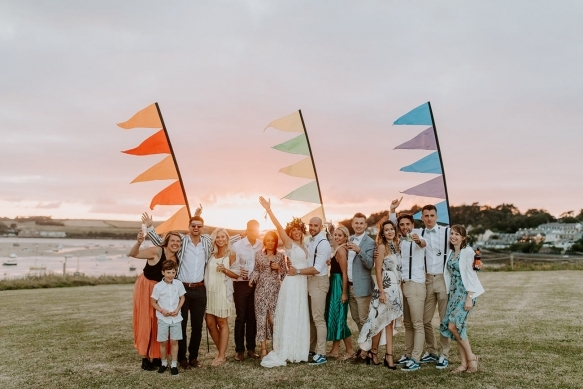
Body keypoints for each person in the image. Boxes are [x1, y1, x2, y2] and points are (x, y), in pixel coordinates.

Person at [143, 208, 240, 370]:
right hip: (182, 289)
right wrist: (150, 228)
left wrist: (253, 235)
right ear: (189, 227)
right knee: (181, 324)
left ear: (203, 228)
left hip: (200, 289)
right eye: (193, 225)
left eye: (199, 226)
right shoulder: (182, 240)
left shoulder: (208, 242)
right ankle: (181, 358)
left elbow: (229, 239)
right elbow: (163, 242)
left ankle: (193, 357)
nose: (196, 228)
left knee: (197, 326)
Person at [259, 197, 310, 367]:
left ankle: (299, 349)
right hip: (293, 282)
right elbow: (279, 227)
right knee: (290, 314)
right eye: (293, 230)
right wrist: (269, 210)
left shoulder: (306, 246)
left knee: (300, 314)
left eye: (299, 229)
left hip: (303, 282)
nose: (296, 232)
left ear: (302, 231)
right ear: (290, 232)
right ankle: (287, 349)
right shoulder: (289, 244)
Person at [129, 229, 180, 371]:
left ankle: (156, 356)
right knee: (146, 321)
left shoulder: (176, 259)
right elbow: (133, 254)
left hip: (162, 290)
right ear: (167, 242)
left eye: (178, 241)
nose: (175, 243)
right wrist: (138, 243)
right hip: (146, 287)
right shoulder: (157, 251)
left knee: (160, 322)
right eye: (173, 241)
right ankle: (145, 358)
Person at [358, 219, 403, 369]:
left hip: (396, 288)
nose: (390, 231)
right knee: (378, 321)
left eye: (392, 229)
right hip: (384, 287)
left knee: (389, 321)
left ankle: (388, 355)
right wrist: (382, 292)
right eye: (386, 230)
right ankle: (373, 351)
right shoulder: (382, 247)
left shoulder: (396, 246)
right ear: (382, 233)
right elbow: (377, 271)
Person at [439, 225, 484, 374]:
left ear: (463, 237)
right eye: (452, 233)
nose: (453, 236)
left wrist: (469, 298)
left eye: (457, 234)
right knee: (458, 328)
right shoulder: (451, 252)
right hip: (453, 294)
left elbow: (471, 274)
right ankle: (464, 364)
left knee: (454, 326)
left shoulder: (467, 251)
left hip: (465, 294)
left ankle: (471, 358)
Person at [388, 198, 427, 372]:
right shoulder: (400, 240)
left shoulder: (419, 235)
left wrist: (417, 240)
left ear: (413, 224)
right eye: (402, 224)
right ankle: (408, 353)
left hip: (417, 284)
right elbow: (390, 227)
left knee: (417, 323)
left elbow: (423, 243)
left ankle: (416, 359)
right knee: (408, 323)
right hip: (403, 285)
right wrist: (392, 210)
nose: (405, 227)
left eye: (407, 224)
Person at [288, 217, 331, 366]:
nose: (312, 227)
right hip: (309, 281)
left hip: (319, 281)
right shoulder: (309, 240)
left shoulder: (323, 243)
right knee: (311, 318)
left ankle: (321, 353)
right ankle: (312, 349)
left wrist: (297, 271)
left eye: (315, 225)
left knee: (319, 318)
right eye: (311, 225)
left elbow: (317, 268)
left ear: (321, 227)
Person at [419, 204, 452, 369]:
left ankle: (444, 354)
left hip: (443, 278)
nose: (429, 218)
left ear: (437, 217)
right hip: (426, 280)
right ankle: (431, 351)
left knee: (444, 319)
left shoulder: (447, 232)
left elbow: (461, 246)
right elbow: (400, 235)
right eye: (426, 215)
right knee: (425, 319)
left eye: (432, 215)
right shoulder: (419, 233)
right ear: (422, 218)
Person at [248, 230, 287, 358]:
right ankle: (263, 348)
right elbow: (256, 270)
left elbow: (285, 275)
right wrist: (252, 279)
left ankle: (276, 346)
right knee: (261, 319)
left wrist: (279, 268)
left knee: (273, 319)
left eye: (273, 241)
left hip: (275, 290)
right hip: (261, 290)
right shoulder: (259, 255)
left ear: (276, 242)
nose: (270, 243)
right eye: (268, 240)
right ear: (265, 241)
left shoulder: (281, 256)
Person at [205, 228, 239, 366]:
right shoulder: (211, 254)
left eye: (223, 237)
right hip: (209, 292)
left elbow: (237, 274)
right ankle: (221, 352)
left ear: (227, 239)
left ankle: (221, 355)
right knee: (210, 324)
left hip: (222, 292)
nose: (220, 239)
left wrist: (225, 270)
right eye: (217, 237)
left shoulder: (231, 254)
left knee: (222, 322)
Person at [231, 220, 263, 361]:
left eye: (256, 230)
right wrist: (238, 271)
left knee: (253, 318)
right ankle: (239, 350)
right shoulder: (237, 245)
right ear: (247, 229)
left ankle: (251, 348)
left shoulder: (260, 245)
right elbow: (232, 265)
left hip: (255, 284)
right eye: (251, 229)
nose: (253, 232)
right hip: (241, 284)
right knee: (241, 317)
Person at [346, 212, 376, 363]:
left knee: (365, 320)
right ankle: (364, 346)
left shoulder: (370, 242)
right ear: (352, 224)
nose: (358, 225)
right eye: (356, 223)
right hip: (350, 286)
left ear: (365, 225)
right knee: (357, 319)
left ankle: (366, 352)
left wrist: (359, 250)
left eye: (361, 223)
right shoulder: (349, 239)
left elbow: (370, 264)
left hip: (363, 286)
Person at [150, 260, 186, 376]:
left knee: (174, 341)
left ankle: (174, 364)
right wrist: (162, 311)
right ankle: (164, 363)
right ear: (163, 272)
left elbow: (182, 298)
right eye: (168, 272)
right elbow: (153, 302)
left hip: (176, 318)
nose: (171, 275)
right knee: (164, 342)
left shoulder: (178, 284)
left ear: (176, 273)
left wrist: (177, 309)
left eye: (173, 272)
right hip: (163, 318)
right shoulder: (158, 286)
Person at [325, 225, 354, 361]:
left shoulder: (342, 250)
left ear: (345, 238)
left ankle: (350, 350)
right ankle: (335, 350)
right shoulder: (337, 249)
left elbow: (344, 273)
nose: (336, 237)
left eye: (339, 235)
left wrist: (343, 293)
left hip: (339, 284)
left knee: (340, 318)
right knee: (336, 317)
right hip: (334, 282)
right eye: (335, 235)